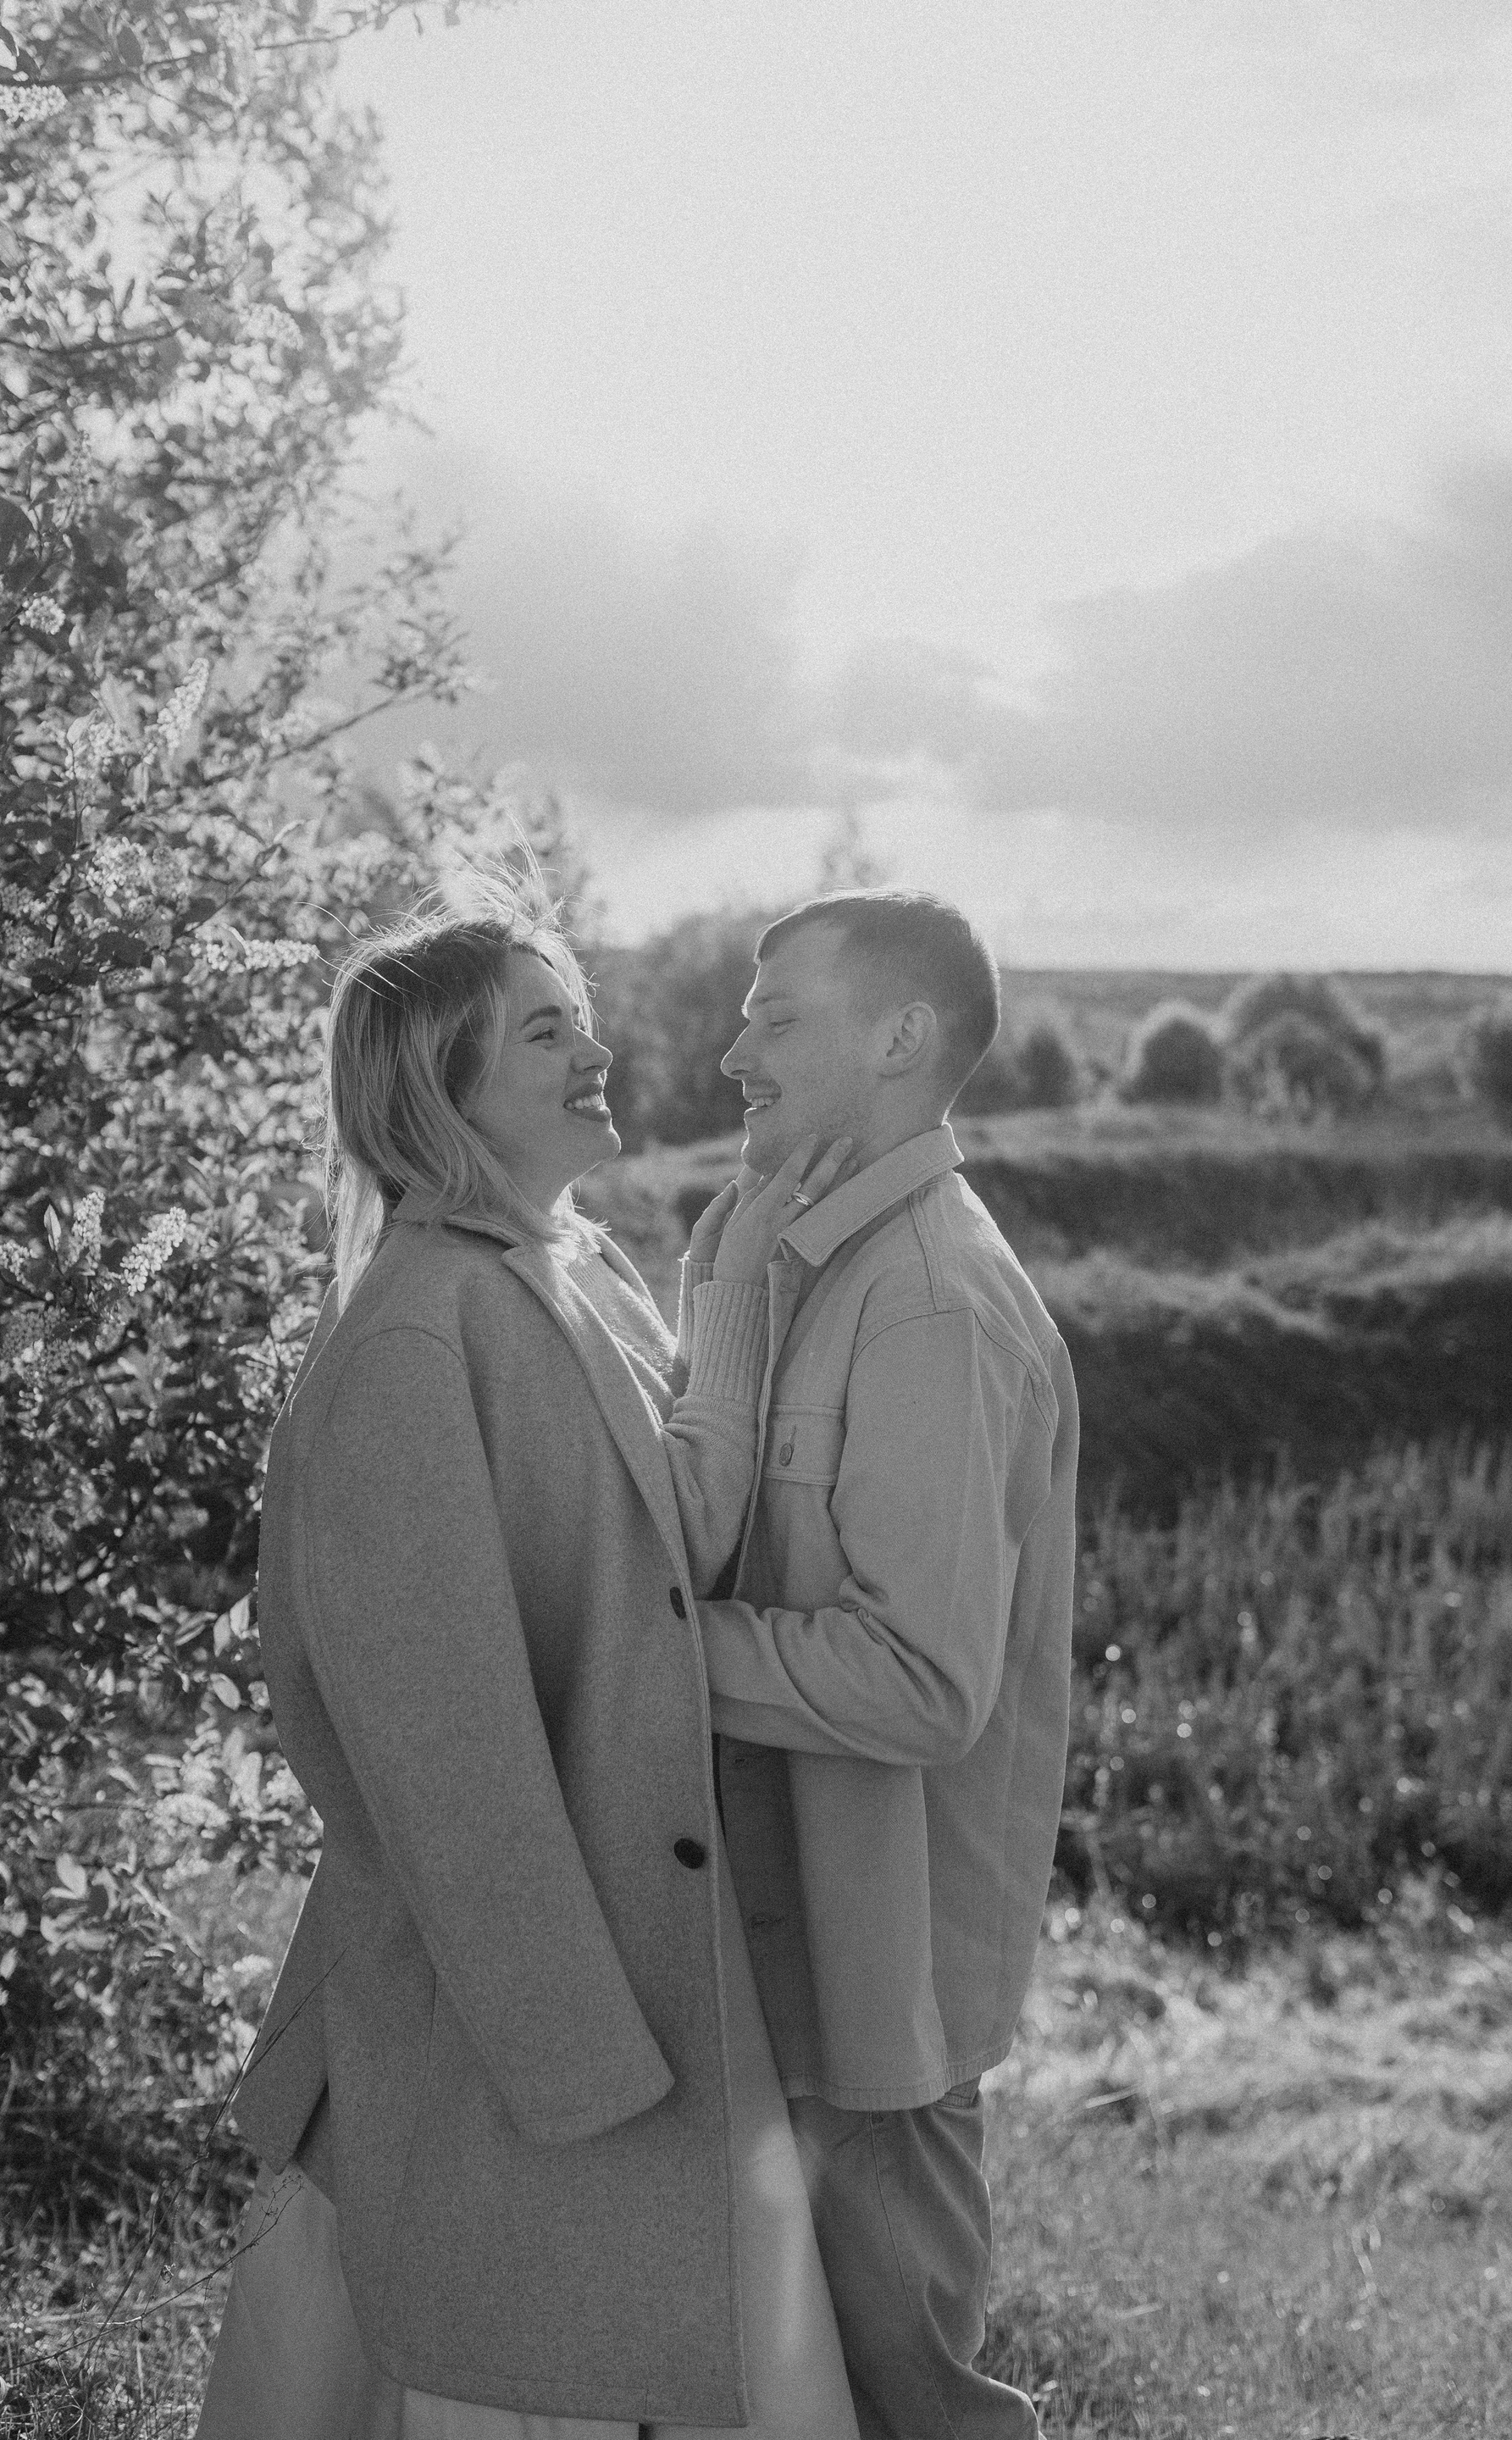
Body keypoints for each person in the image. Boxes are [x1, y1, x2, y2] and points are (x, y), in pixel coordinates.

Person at [195, 867, 861, 2440]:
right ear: (442, 1089)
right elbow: (445, 1749)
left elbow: (680, 1539)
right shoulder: (414, 1335)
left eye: (582, 1017)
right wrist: (575, 2063)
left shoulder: (574, 1271)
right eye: (545, 1031)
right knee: (491, 2367)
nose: (596, 1052)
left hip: (646, 1953)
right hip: (525, 2012)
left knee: (652, 2351)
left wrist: (730, 1281)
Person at [687, 890, 1080, 2440]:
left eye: (777, 1019)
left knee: (911, 2412)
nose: (734, 1057)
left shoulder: (929, 1305)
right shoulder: (804, 1261)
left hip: (871, 1995)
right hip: (780, 1959)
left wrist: (647, 1649)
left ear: (903, 1038)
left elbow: (921, 1682)